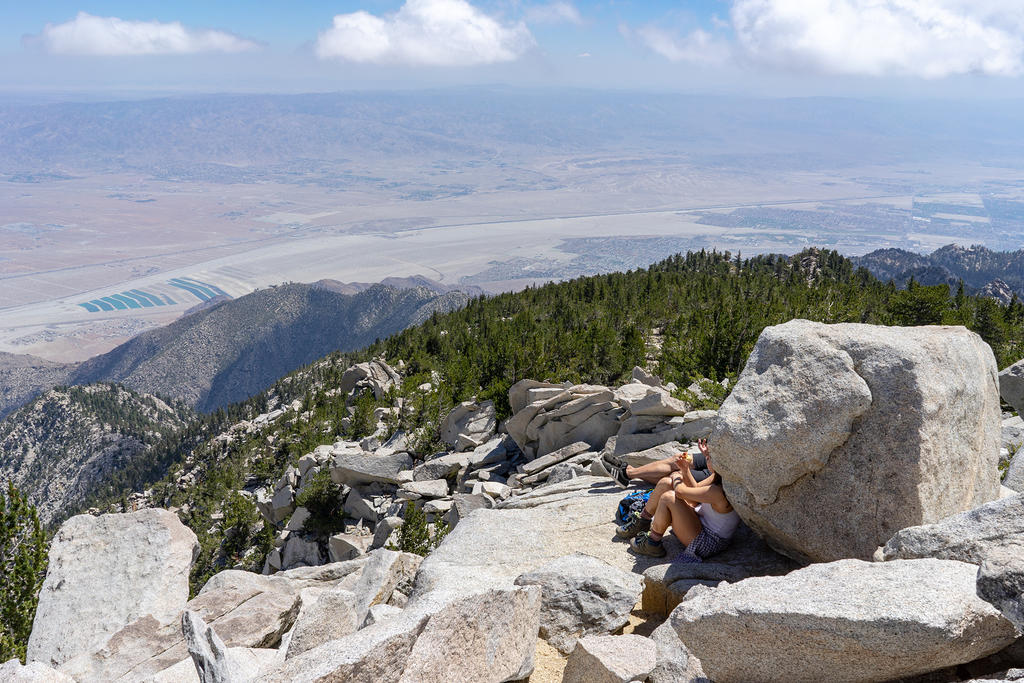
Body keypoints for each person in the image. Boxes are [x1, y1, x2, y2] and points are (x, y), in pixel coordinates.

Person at [616, 439, 739, 561]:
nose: (706, 459)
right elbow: (694, 489)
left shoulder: (717, 491)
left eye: (709, 458)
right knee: (666, 483)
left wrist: (677, 476)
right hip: (701, 522)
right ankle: (642, 521)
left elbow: (680, 492)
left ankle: (652, 543)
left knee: (668, 497)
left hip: (708, 541)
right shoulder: (718, 477)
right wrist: (685, 470)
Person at [606, 445, 711, 486]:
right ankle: (630, 473)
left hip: (717, 473)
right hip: (716, 458)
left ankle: (628, 472)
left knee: (676, 475)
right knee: (679, 458)